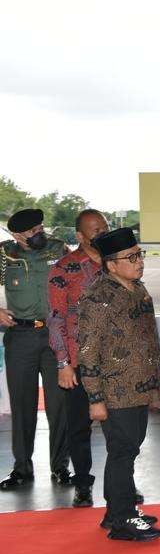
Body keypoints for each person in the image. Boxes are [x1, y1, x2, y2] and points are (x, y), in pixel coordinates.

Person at [77, 227, 160, 541]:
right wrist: (95, 398)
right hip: (115, 391)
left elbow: (146, 337)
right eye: (131, 257)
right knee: (122, 452)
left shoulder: (136, 288)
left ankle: (117, 511)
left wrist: (154, 381)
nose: (139, 262)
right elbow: (87, 350)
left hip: (138, 387)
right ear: (111, 265)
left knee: (127, 450)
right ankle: (123, 519)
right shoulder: (98, 297)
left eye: (140, 255)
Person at [0, 208, 70, 491]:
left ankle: (60, 467)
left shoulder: (58, 249)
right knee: (22, 406)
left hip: (55, 337)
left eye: (40, 227)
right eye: (32, 231)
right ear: (17, 235)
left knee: (59, 406)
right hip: (21, 336)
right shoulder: (5, 255)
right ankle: (21, 468)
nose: (39, 233)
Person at [46, 209, 109, 507]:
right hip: (79, 361)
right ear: (80, 236)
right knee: (79, 427)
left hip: (117, 361)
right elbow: (56, 318)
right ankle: (82, 483)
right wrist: (63, 362)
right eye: (94, 229)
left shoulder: (119, 263)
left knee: (120, 428)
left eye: (104, 227)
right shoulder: (64, 269)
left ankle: (122, 484)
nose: (102, 232)